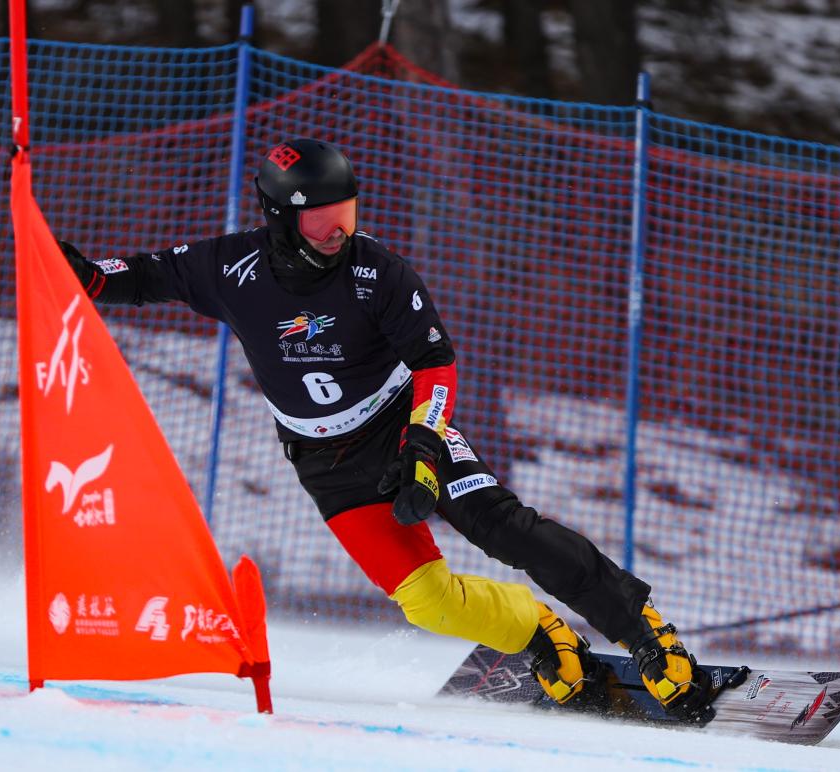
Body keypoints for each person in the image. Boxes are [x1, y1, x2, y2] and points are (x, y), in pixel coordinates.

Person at [60, 138, 707, 717]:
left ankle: (644, 630)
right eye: (320, 219)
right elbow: (143, 276)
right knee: (426, 601)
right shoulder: (232, 268)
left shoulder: (377, 272)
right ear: (280, 219)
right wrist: (83, 275)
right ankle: (539, 633)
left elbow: (435, 362)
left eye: (345, 213)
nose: (337, 232)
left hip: (402, 426)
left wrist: (423, 443)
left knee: (503, 527)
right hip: (325, 464)